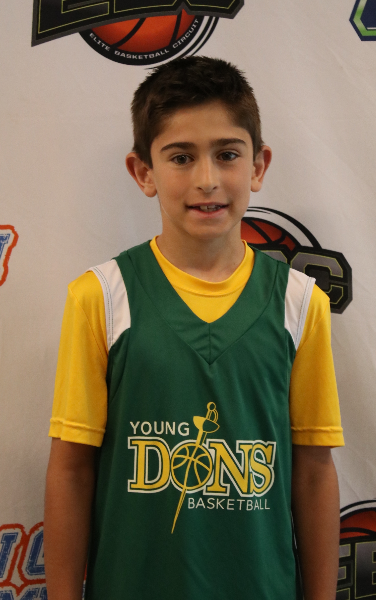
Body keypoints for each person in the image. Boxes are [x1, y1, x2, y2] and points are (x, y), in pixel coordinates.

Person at [44, 56, 344, 600]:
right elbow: (71, 471)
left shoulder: (300, 303)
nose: (207, 180)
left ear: (258, 166)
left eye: (227, 154)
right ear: (143, 172)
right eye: (181, 157)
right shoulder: (100, 297)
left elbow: (314, 471)